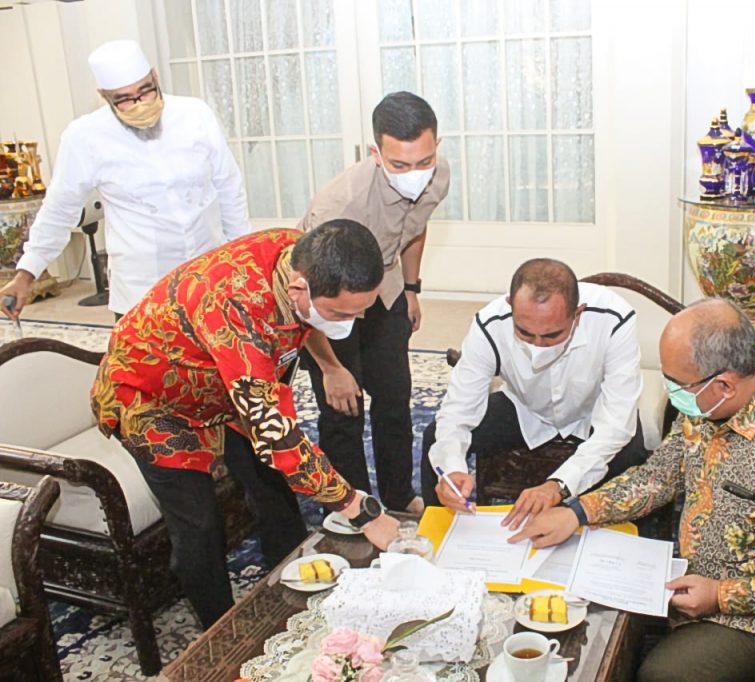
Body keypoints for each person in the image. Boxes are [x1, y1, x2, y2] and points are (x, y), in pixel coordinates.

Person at [510, 298, 755, 681]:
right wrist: (577, 512)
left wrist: (720, 594)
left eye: (676, 384)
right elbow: (661, 474)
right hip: (685, 576)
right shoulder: (707, 404)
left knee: (664, 675)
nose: (670, 393)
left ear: (724, 384)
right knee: (569, 600)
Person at [90, 220, 400, 629]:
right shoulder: (233, 304)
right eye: (343, 313)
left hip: (228, 384)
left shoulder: (301, 252)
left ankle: (294, 598)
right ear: (299, 288)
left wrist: (330, 365)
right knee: (199, 524)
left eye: (361, 310)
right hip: (155, 399)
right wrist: (360, 509)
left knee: (274, 492)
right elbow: (278, 436)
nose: (354, 321)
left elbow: (304, 324)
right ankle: (219, 634)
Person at [0, 39, 248, 322]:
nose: (140, 103)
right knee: (145, 365)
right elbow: (59, 209)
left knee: (216, 362)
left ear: (155, 77)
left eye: (146, 91)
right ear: (104, 96)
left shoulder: (195, 114)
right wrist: (26, 273)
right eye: (125, 99)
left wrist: (241, 256)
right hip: (141, 287)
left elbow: (230, 188)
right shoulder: (85, 137)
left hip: (208, 273)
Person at [297, 91, 449, 514]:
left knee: (395, 395)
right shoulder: (338, 204)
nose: (414, 174)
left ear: (436, 145)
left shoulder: (439, 174)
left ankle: (399, 495)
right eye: (400, 164)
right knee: (342, 405)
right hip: (329, 303)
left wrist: (412, 290)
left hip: (387, 288)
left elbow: (415, 230)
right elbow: (304, 299)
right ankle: (353, 506)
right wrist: (330, 367)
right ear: (375, 153)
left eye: (423, 160)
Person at [422, 258, 649, 530]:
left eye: (552, 335)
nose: (538, 347)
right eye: (525, 333)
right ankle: (437, 542)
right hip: (526, 408)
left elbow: (615, 425)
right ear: (510, 307)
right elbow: (457, 411)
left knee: (634, 463)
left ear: (578, 314)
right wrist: (452, 469)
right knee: (433, 435)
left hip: (594, 409)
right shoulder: (489, 323)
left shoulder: (614, 319)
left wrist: (558, 486)